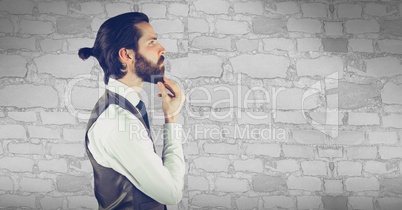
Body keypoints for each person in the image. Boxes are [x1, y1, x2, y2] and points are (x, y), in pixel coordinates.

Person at [78, 12, 185, 210]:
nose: (162, 48)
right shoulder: (119, 123)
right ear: (126, 55)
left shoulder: (123, 108)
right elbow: (172, 193)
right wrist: (172, 119)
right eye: (152, 42)